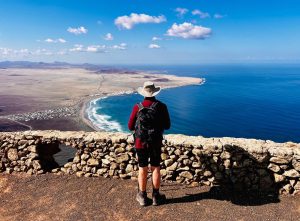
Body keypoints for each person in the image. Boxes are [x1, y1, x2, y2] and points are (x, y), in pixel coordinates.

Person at [128, 81, 171, 206]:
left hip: (140, 142)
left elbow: (130, 126)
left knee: (143, 168)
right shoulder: (162, 106)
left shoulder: (138, 107)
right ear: (155, 92)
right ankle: (156, 197)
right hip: (156, 143)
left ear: (144, 92)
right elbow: (167, 126)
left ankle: (142, 196)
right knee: (155, 167)